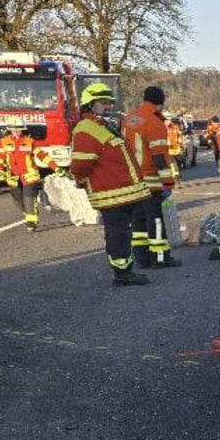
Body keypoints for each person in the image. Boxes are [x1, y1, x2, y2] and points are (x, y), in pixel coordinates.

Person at [70, 83, 151, 287]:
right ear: (90, 105)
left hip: (122, 193)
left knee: (122, 233)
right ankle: (122, 274)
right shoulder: (86, 129)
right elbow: (80, 165)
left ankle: (126, 269)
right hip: (111, 194)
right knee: (118, 234)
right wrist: (81, 181)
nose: (108, 106)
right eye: (103, 103)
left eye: (110, 103)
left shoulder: (102, 126)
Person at [122, 85, 182, 269]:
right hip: (150, 179)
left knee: (137, 221)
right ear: (160, 103)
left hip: (132, 178)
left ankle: (142, 259)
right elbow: (159, 158)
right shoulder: (155, 123)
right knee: (155, 220)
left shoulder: (129, 118)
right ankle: (160, 258)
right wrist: (168, 182)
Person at [0, 120, 59, 231]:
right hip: (12, 176)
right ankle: (28, 211)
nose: (16, 132)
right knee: (18, 199)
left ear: (23, 129)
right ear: (10, 130)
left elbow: (42, 156)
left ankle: (31, 223)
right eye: (14, 130)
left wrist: (55, 167)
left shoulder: (30, 142)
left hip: (29, 175)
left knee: (28, 198)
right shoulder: (4, 142)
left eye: (18, 129)